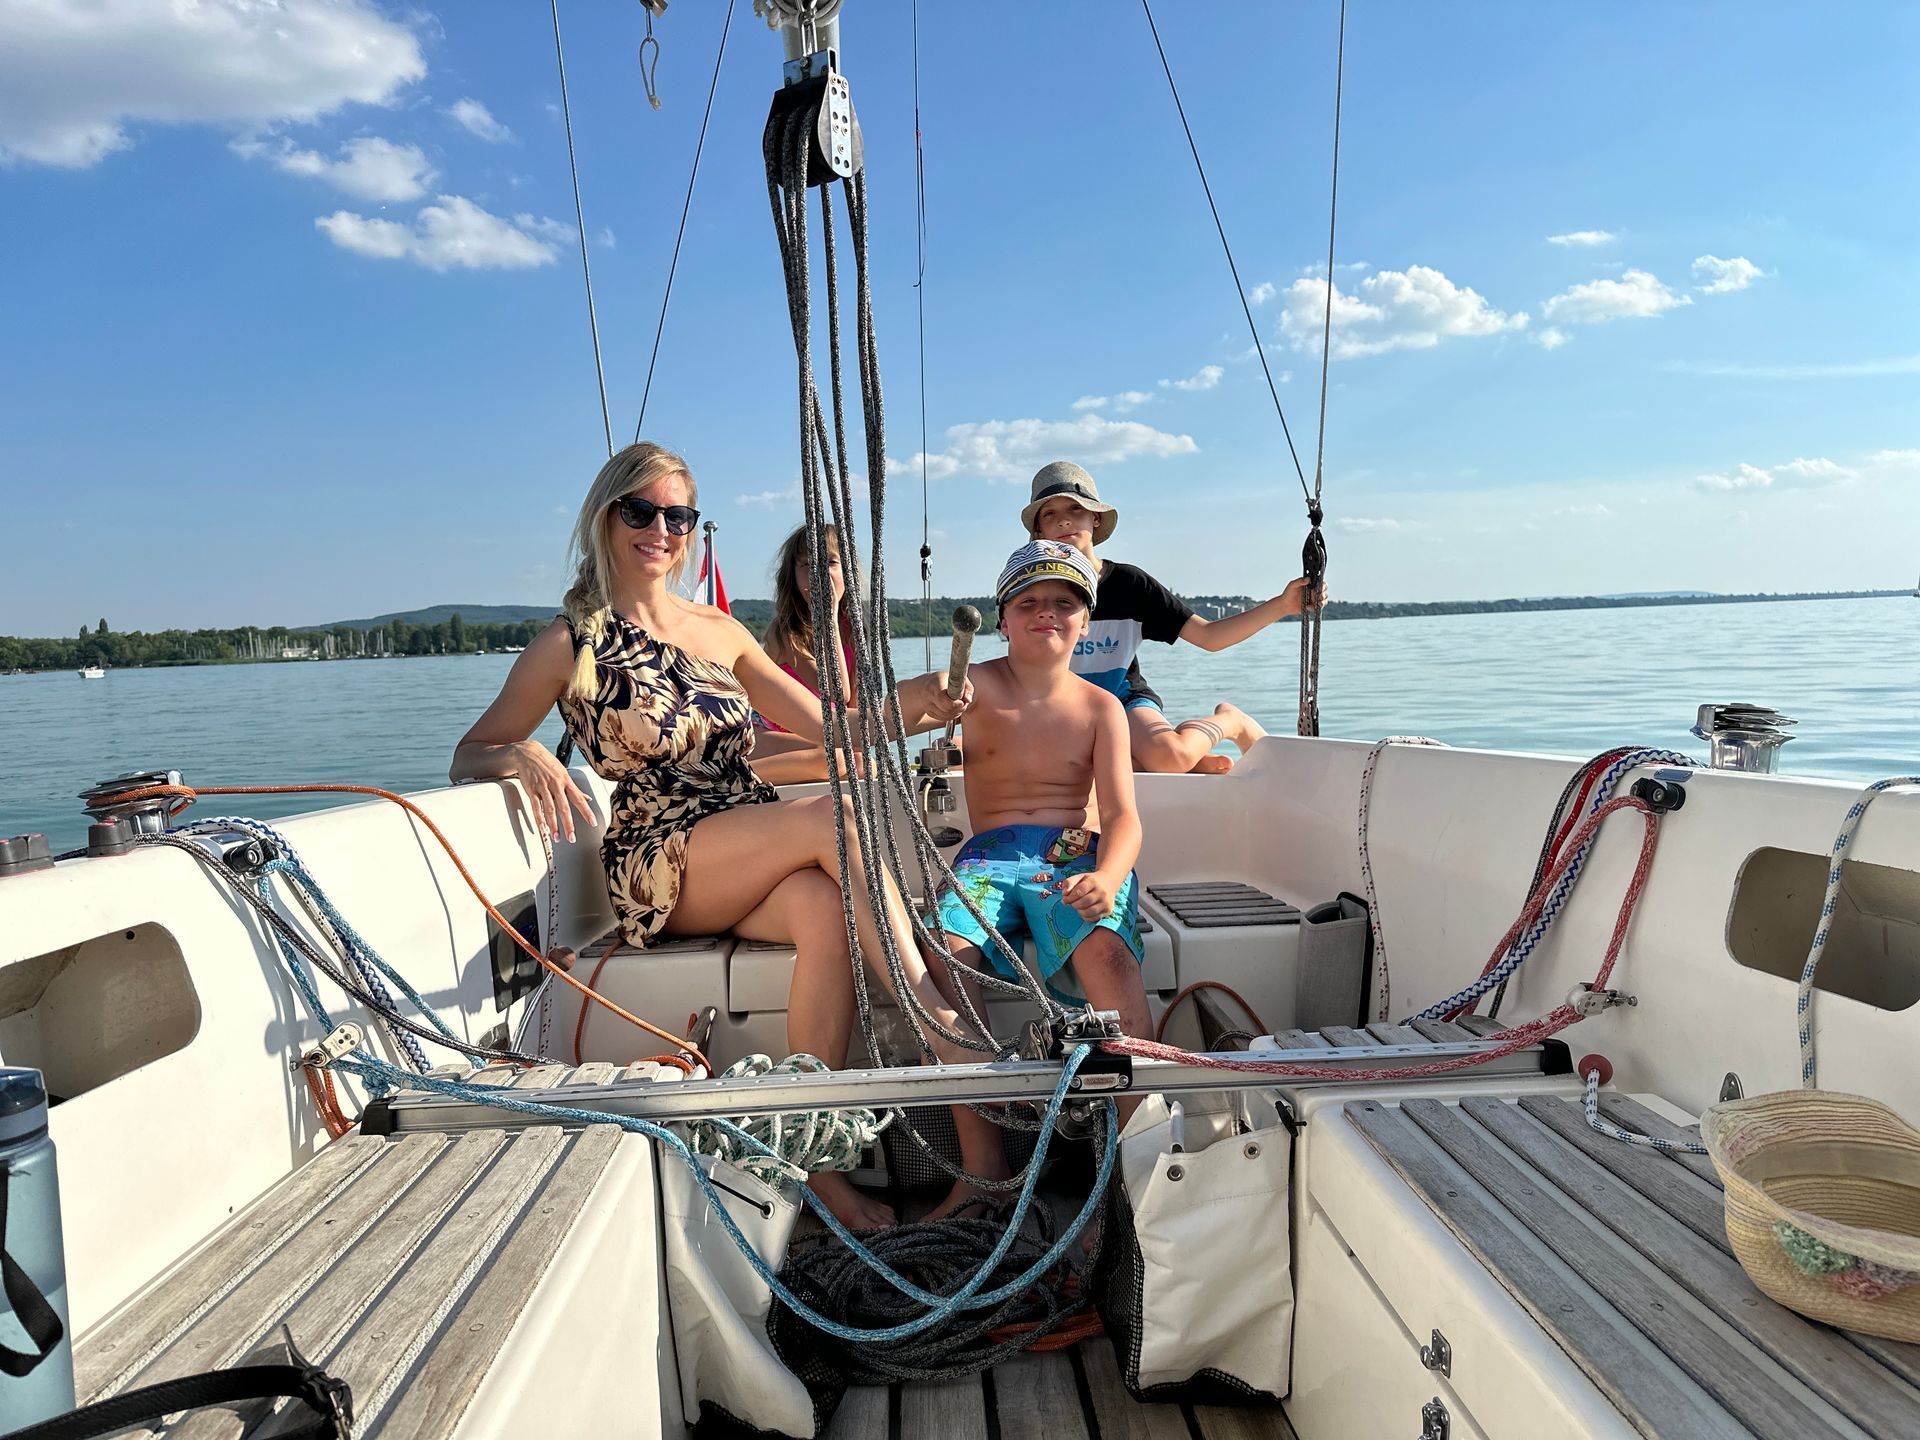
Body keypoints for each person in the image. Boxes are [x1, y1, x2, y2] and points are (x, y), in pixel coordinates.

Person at [451, 441, 977, 1229]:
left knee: (825, 915)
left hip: (741, 831)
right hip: (657, 856)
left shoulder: (721, 631)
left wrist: (924, 701)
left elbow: (844, 729)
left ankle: (810, 1169)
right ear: (606, 516)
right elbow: (468, 754)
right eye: (640, 511)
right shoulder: (570, 643)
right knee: (830, 821)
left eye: (677, 515)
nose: (659, 529)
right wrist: (520, 750)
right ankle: (948, 1030)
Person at [928, 538, 1151, 1219]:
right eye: (1029, 602)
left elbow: (1124, 819)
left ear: (1085, 624)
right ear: (1002, 619)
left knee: (1106, 952)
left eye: (1064, 603)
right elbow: (914, 728)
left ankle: (1133, 1171)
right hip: (989, 855)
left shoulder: (1101, 708)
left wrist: (1109, 880)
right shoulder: (972, 691)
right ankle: (982, 1168)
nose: (1047, 614)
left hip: (1074, 853)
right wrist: (935, 719)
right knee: (950, 952)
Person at [1020, 460, 1325, 775]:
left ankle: (1229, 721)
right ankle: (1189, 765)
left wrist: (1282, 606)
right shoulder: (1028, 591)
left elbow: (1209, 637)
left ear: (1095, 518)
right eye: (1050, 514)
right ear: (1039, 529)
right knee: (1062, 767)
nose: (1063, 522)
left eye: (1074, 509)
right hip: (1063, 710)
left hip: (1124, 700)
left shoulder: (1129, 584)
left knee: (1168, 757)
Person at [747, 523, 855, 785]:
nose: (819, 574)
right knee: (837, 761)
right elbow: (836, 691)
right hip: (765, 737)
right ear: (792, 577)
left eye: (829, 562)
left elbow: (856, 715)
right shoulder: (785, 632)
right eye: (807, 565)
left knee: (860, 763)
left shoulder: (856, 634)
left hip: (819, 742)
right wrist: (827, 616)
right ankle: (733, 776)